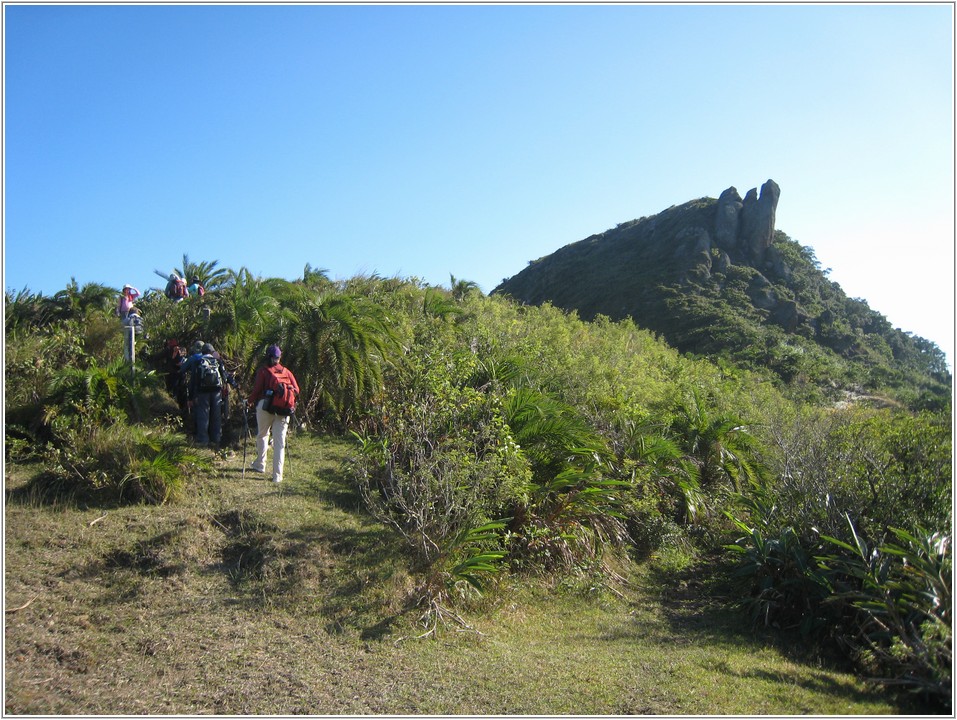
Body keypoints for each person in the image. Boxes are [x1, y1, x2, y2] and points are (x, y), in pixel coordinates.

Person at [247, 344, 300, 483]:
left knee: (263, 435)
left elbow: (257, 390)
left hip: (266, 408)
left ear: (268, 356)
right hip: (284, 411)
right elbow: (297, 390)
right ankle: (277, 476)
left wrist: (249, 401)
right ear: (279, 357)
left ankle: (260, 464)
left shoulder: (264, 371)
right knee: (279, 443)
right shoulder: (286, 372)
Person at [183, 342, 228, 448]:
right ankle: (216, 439)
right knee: (216, 416)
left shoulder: (198, 361)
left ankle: (203, 440)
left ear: (202, 351)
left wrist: (190, 397)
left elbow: (193, 380)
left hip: (202, 392)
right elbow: (224, 376)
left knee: (203, 416)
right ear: (212, 351)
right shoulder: (217, 360)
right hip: (216, 392)